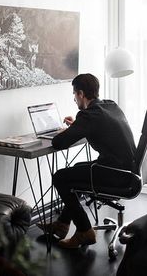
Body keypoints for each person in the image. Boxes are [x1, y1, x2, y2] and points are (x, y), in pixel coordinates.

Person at [38, 73, 136, 249]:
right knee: (76, 170)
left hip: (115, 174)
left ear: (81, 94)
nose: (74, 99)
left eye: (74, 94)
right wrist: (77, 126)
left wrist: (66, 131)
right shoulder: (109, 105)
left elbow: (58, 143)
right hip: (128, 170)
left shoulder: (89, 116)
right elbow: (101, 127)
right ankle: (62, 224)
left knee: (60, 177)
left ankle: (84, 230)